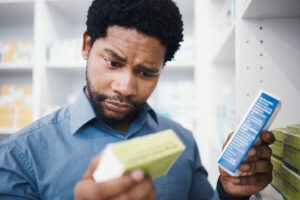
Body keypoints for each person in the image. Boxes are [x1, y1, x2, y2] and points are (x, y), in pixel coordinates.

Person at [0, 0, 274, 199]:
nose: (126, 87)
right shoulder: (20, 155)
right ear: (86, 45)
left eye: (146, 72)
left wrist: (230, 192)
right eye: (113, 62)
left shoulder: (183, 142)